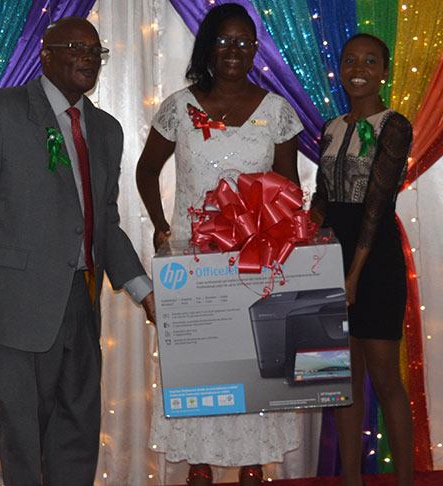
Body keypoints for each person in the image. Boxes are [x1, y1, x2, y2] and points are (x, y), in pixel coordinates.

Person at [0, 17, 156, 486]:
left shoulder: (106, 129)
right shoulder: (0, 110)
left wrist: (145, 291)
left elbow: (105, 224)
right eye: (75, 47)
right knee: (22, 433)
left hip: (81, 300)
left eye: (94, 50)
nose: (87, 58)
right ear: (45, 54)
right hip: (12, 304)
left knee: (79, 427)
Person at [136, 4, 302, 486]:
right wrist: (160, 225)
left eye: (244, 42)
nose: (235, 50)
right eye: (225, 41)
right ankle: (199, 465)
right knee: (199, 363)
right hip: (193, 260)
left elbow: (288, 189)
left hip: (254, 260)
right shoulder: (178, 106)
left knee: (253, 361)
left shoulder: (277, 110)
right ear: (209, 45)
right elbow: (147, 170)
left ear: (255, 49)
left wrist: (294, 238)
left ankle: (252, 462)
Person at [310, 33, 414, 486]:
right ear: (340, 68)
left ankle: (407, 481)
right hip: (334, 260)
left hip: (375, 264)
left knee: (386, 380)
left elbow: (375, 205)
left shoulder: (395, 125)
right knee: (343, 384)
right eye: (351, 59)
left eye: (371, 60)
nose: (359, 68)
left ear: (385, 70)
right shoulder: (331, 127)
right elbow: (322, 198)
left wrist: (352, 276)